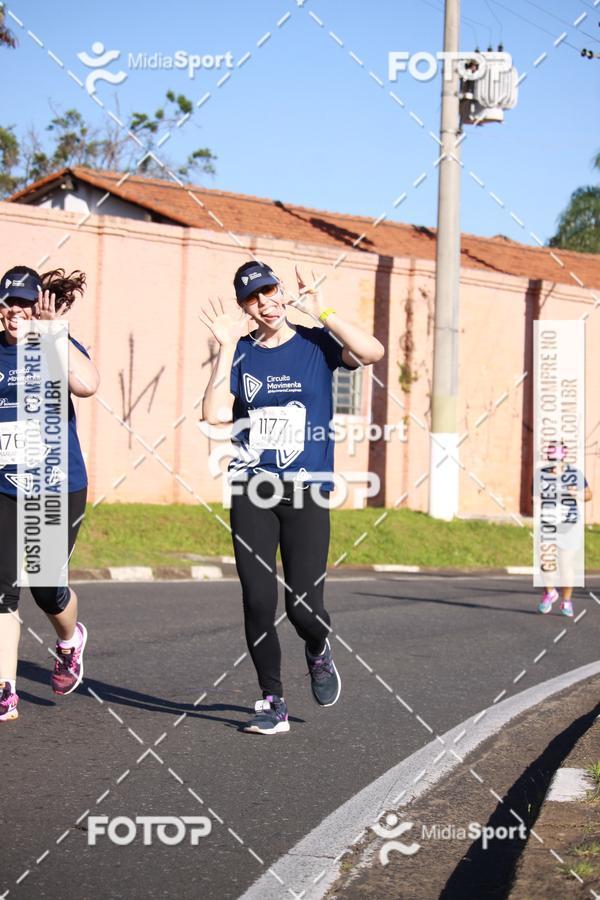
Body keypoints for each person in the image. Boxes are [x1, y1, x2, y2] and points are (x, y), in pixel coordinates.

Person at [201, 260, 384, 735]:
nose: (265, 304)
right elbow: (215, 413)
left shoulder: (316, 344)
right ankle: (272, 701)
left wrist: (323, 310)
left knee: (303, 608)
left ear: (282, 292)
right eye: (253, 299)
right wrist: (225, 348)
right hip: (252, 488)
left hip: (306, 492)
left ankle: (318, 648)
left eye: (269, 292)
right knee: (258, 600)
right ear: (244, 307)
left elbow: (372, 351)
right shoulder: (241, 352)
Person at [0, 266, 100, 722]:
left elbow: (88, 385)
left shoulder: (54, 344)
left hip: (56, 486)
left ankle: (69, 640)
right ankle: (5, 690)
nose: (15, 312)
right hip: (5, 485)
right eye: (8, 303)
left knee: (45, 588)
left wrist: (53, 334)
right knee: (2, 591)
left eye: (25, 304)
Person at [536, 442, 592, 617]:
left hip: (570, 526)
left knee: (565, 566)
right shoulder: (541, 474)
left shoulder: (575, 474)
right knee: (545, 563)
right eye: (552, 459)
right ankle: (550, 592)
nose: (554, 463)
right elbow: (535, 497)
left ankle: (566, 601)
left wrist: (576, 494)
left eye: (557, 459)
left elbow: (589, 495)